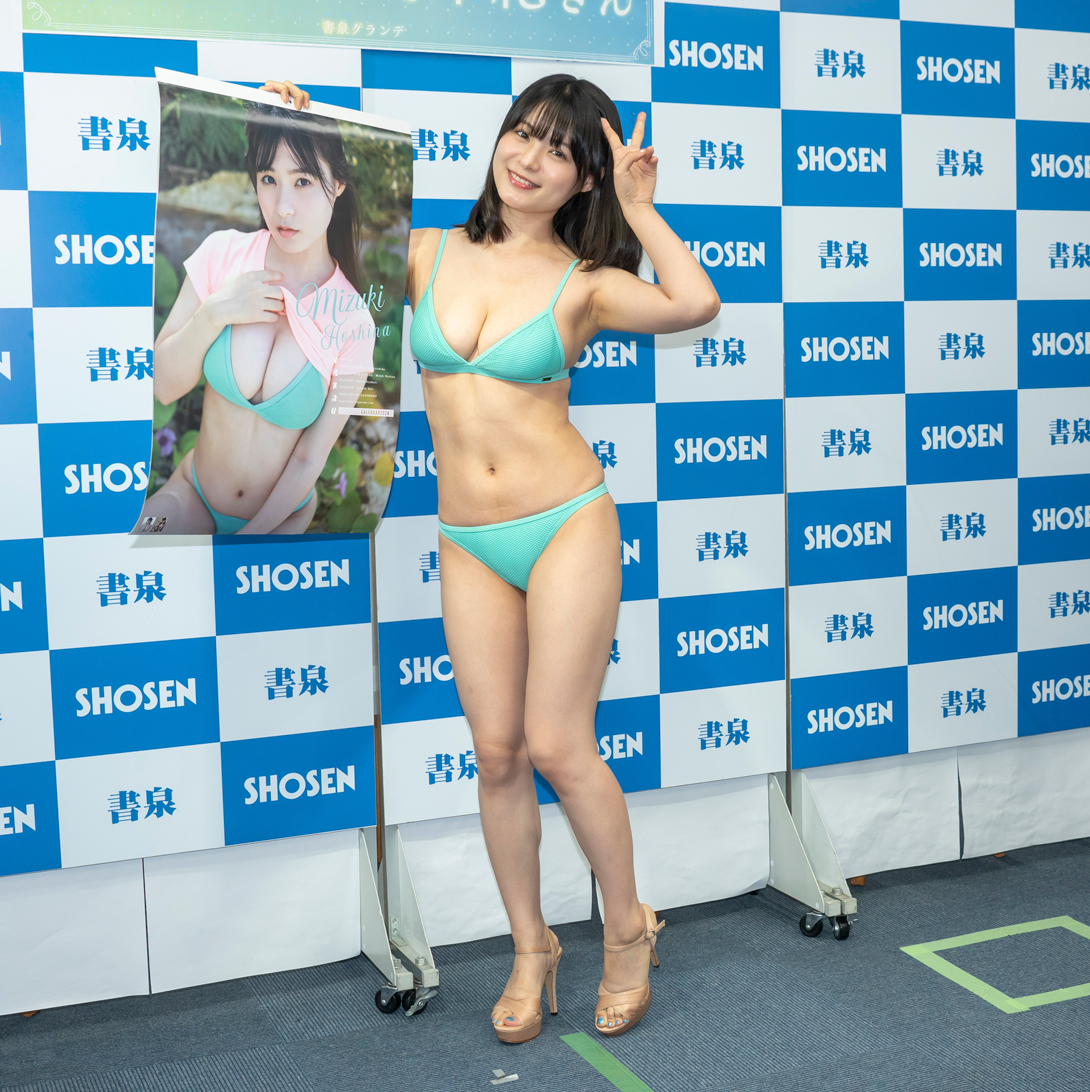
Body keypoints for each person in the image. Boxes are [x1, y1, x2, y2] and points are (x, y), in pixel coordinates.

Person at [271, 74, 719, 1041]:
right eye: (522, 133)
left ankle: (628, 927)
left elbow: (694, 303)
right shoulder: (423, 250)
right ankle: (531, 946)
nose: (530, 158)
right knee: (499, 753)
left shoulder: (584, 282)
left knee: (559, 744)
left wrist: (641, 208)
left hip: (565, 523)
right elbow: (302, 247)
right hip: (467, 538)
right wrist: (290, 128)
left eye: (560, 150)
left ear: (584, 179)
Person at [139, 96, 374, 535]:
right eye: (269, 179)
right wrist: (215, 312)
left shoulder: (354, 322)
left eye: (303, 181)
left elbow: (310, 459)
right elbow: (164, 387)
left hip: (279, 520)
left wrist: (249, 542)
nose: (283, 207)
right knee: (141, 538)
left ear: (338, 182)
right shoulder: (222, 254)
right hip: (194, 494)